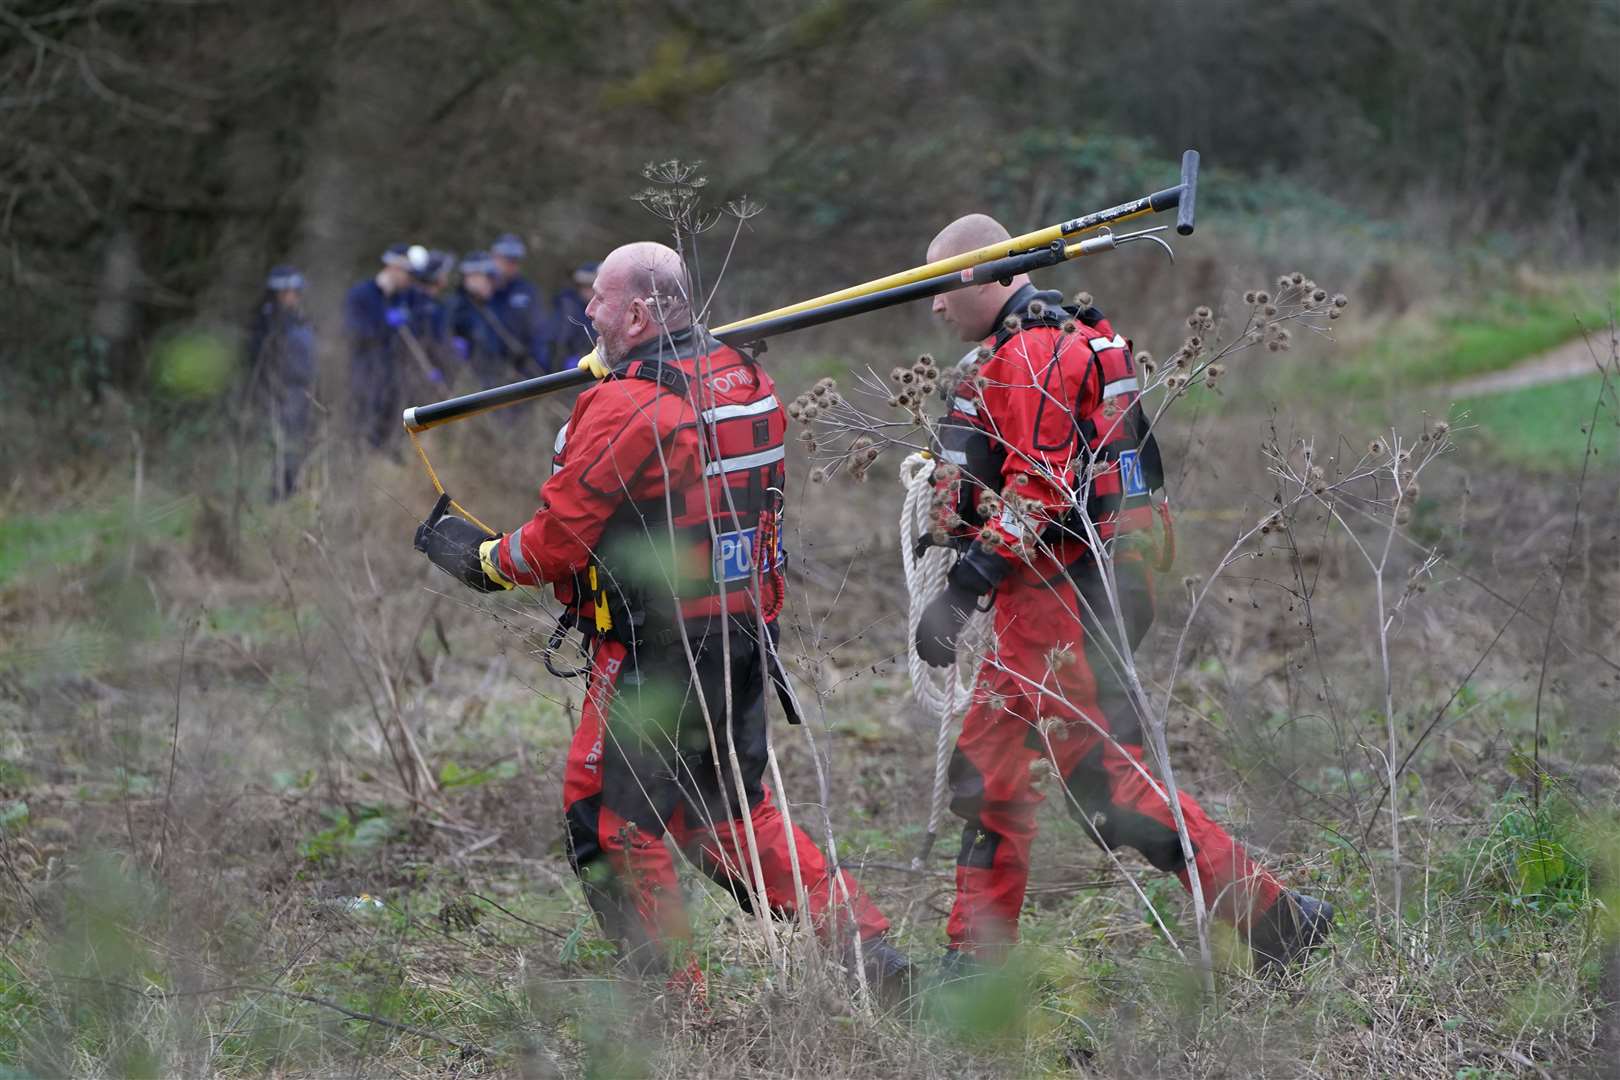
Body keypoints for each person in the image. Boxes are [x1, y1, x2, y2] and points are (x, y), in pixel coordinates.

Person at [414, 241, 911, 1000]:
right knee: (727, 819)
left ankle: (669, 995)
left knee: (608, 818)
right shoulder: (747, 378)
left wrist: (479, 560)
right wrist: (627, 372)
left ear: (640, 313)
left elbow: (555, 542)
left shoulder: (626, 403)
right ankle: (867, 951)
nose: (587, 312)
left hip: (656, 652)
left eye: (600, 301)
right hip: (743, 637)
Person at [914, 213, 1334, 973]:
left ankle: (1277, 919)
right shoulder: (1061, 334)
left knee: (1112, 787)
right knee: (985, 775)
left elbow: (1037, 492)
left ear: (995, 275)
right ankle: (972, 966)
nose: (936, 305)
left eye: (944, 287)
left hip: (1060, 599)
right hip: (1069, 591)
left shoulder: (1033, 351)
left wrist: (964, 586)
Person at [244, 265, 316, 498]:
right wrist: (273, 389)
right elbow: (259, 361)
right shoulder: (267, 323)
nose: (294, 297)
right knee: (280, 444)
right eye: (291, 292)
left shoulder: (297, 319)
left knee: (297, 443)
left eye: (297, 292)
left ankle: (289, 490)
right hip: (279, 393)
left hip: (300, 390)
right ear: (280, 292)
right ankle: (276, 494)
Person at [345, 243, 422, 449]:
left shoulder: (405, 297)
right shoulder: (361, 295)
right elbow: (354, 334)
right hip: (367, 376)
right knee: (365, 431)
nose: (410, 279)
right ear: (393, 268)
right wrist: (383, 321)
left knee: (392, 436)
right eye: (407, 273)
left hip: (395, 378)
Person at [449, 251, 525, 389]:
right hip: (468, 381)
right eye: (487, 278)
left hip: (494, 379)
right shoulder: (456, 308)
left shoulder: (493, 307)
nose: (491, 284)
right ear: (469, 279)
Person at [489, 232, 551, 375]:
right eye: (506, 259)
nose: (510, 265)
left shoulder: (528, 292)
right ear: (493, 257)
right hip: (487, 366)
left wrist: (538, 369)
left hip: (520, 368)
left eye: (515, 260)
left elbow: (539, 333)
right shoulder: (485, 290)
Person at [550, 260, 599, 369]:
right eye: (583, 286)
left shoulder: (607, 308)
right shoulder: (567, 308)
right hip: (575, 369)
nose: (587, 290)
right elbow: (557, 341)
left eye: (591, 286)